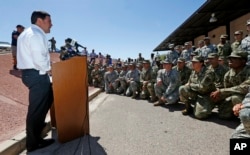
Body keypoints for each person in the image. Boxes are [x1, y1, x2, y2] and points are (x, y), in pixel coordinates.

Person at [16, 10, 55, 152]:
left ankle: (37, 137)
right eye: (49, 21)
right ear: (40, 20)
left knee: (45, 101)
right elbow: (39, 60)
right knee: (36, 111)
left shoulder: (27, 33)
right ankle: (33, 143)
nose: (52, 24)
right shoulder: (36, 34)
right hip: (37, 75)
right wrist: (52, 70)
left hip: (33, 74)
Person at [210, 50, 250, 119]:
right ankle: (236, 113)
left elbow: (244, 88)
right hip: (236, 96)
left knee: (235, 97)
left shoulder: (248, 72)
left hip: (247, 99)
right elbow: (227, 90)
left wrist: (221, 91)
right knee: (223, 115)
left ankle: (245, 118)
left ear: (243, 61)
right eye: (229, 58)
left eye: (234, 58)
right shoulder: (228, 74)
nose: (230, 60)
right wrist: (218, 95)